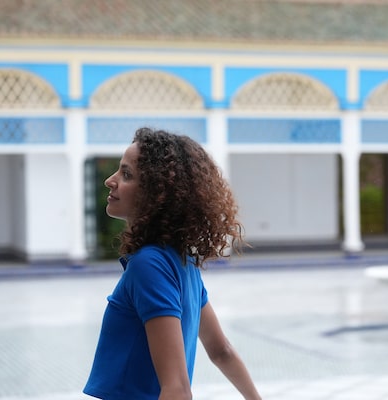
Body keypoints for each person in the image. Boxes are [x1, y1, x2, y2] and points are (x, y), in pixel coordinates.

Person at [84, 127, 261, 400]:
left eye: (127, 174)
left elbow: (177, 387)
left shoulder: (149, 265)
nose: (111, 180)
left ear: (157, 193)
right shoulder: (181, 261)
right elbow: (221, 350)